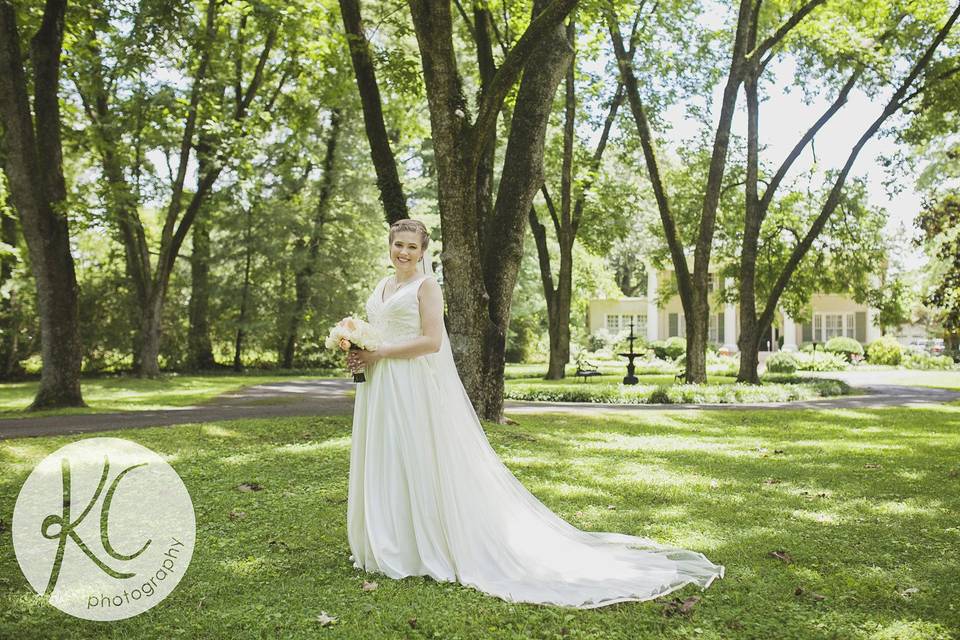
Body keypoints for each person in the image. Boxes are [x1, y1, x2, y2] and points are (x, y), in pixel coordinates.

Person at [345, 219, 724, 609]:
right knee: (388, 456)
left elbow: (431, 341)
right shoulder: (383, 285)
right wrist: (359, 346)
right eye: (398, 245)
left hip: (412, 385)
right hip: (381, 386)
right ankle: (390, 539)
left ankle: (420, 545)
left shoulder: (426, 287)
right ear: (390, 246)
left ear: (423, 252)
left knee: (417, 459)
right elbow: (380, 328)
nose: (404, 252)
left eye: (411, 246)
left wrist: (379, 352)